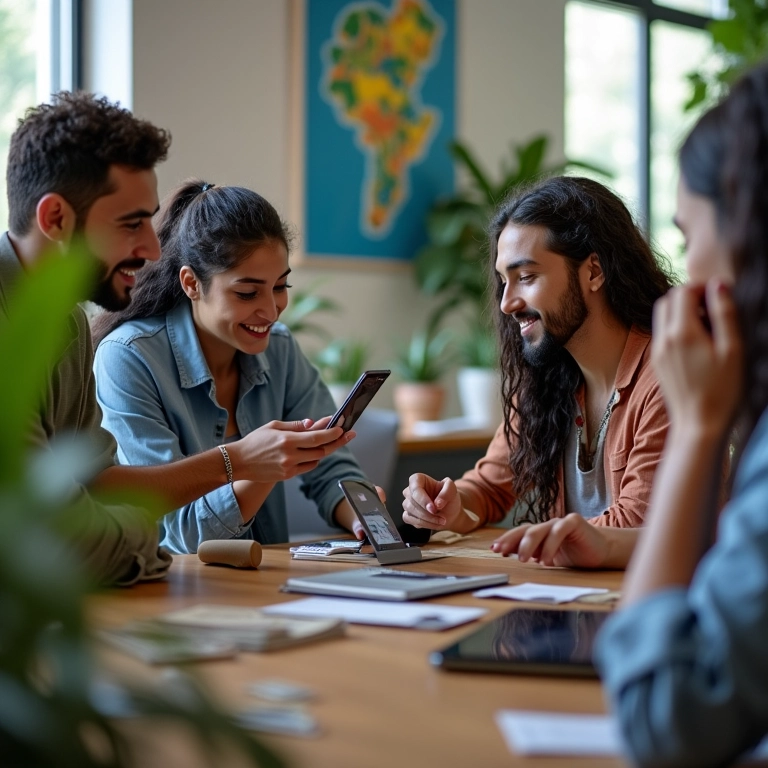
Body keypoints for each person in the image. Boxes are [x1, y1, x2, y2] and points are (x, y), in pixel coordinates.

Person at [2, 92, 353, 585]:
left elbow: (100, 488)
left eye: (149, 218)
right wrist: (150, 543)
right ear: (56, 219)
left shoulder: (68, 326)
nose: (151, 248)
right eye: (131, 223)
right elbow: (59, 535)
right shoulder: (112, 350)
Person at [592, 63, 768, 767]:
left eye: (689, 236)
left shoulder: (677, 382)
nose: (687, 272)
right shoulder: (540, 387)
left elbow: (664, 723)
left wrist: (701, 427)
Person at [92, 181, 368, 553]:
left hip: (267, 584)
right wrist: (259, 465)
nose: (271, 311)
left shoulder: (280, 348)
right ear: (191, 283)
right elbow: (182, 536)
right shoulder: (128, 358)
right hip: (173, 589)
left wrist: (363, 518)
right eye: (247, 293)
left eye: (281, 286)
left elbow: (331, 468)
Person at [401, 177, 675, 536]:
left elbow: (639, 526)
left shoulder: (667, 376)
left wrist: (535, 541)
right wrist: (451, 505)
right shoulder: (547, 381)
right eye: (503, 281)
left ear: (593, 271)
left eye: (526, 276)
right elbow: (487, 488)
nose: (506, 303)